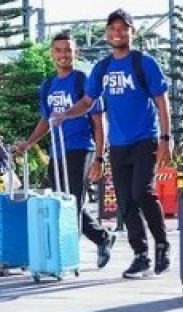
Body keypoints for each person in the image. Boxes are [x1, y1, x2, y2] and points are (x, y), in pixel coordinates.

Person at [53, 9, 172, 279]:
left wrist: (166, 139)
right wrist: (65, 114)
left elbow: (162, 103)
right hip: (118, 145)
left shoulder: (144, 62)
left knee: (143, 191)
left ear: (132, 32)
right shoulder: (102, 68)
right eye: (113, 28)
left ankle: (162, 244)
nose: (117, 33)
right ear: (107, 33)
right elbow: (87, 102)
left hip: (146, 139)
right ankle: (140, 255)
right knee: (125, 201)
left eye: (123, 28)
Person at [16, 31, 117, 269]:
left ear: (76, 53)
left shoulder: (83, 81)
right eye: (58, 50)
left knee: (71, 202)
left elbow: (98, 120)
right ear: (52, 53)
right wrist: (29, 143)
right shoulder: (48, 86)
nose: (63, 55)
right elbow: (46, 120)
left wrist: (100, 157)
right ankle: (102, 238)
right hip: (57, 151)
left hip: (80, 148)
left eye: (68, 50)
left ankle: (67, 254)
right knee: (60, 201)